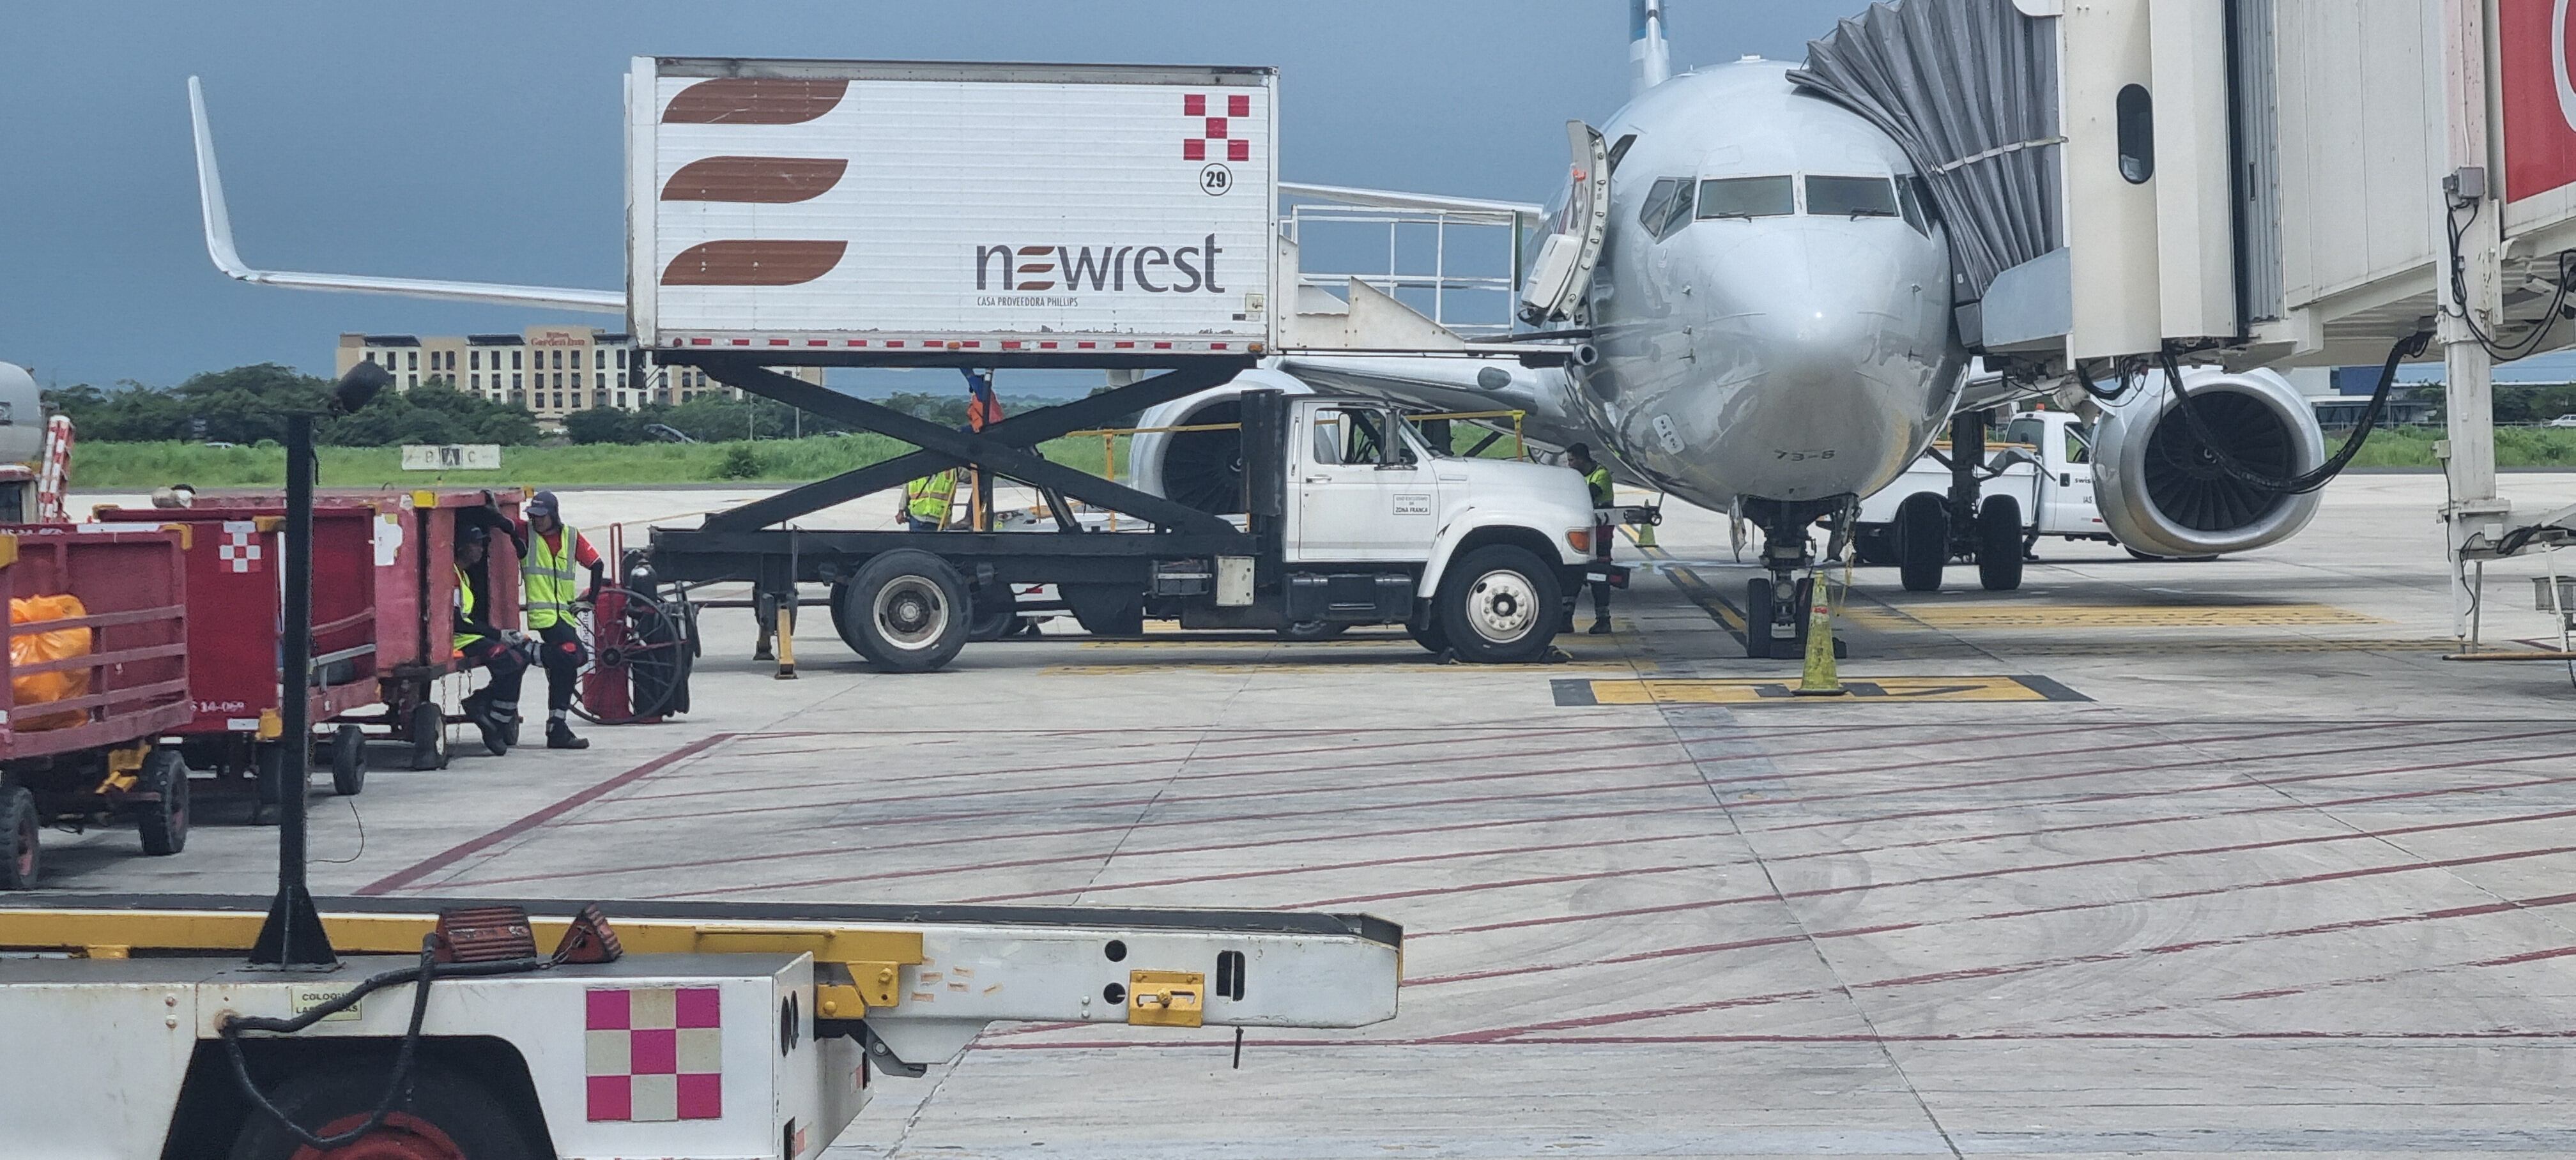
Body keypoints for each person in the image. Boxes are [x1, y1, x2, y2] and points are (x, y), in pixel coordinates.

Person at [521, 490, 604, 750]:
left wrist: (591, 599)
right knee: (575, 656)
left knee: (564, 666)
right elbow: (503, 524)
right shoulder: (527, 535)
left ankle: (557, 726)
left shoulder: (571, 536)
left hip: (565, 615)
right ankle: (526, 651)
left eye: (542, 516)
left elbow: (598, 565)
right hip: (545, 617)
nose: (537, 521)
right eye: (533, 516)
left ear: (554, 514)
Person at [452, 523, 529, 756]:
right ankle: (489, 715)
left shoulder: (463, 575)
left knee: (521, 657)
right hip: (459, 640)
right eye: (476, 544)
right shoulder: (452, 577)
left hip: (469, 636)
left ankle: (488, 710)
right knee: (509, 661)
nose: (481, 549)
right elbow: (457, 622)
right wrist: (497, 635)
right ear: (463, 548)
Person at [1567, 443, 1616, 634]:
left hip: (1600, 536)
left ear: (1581, 459)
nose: (1569, 465)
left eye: (1572, 460)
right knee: (1572, 575)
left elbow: (1586, 495)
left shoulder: (1601, 475)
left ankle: (1604, 619)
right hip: (1582, 534)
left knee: (1599, 577)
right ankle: (1566, 617)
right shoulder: (1579, 476)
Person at [900, 466, 957, 531]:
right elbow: (907, 489)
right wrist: (901, 510)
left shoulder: (951, 469)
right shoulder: (914, 469)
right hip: (917, 519)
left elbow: (967, 477)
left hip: (939, 521)